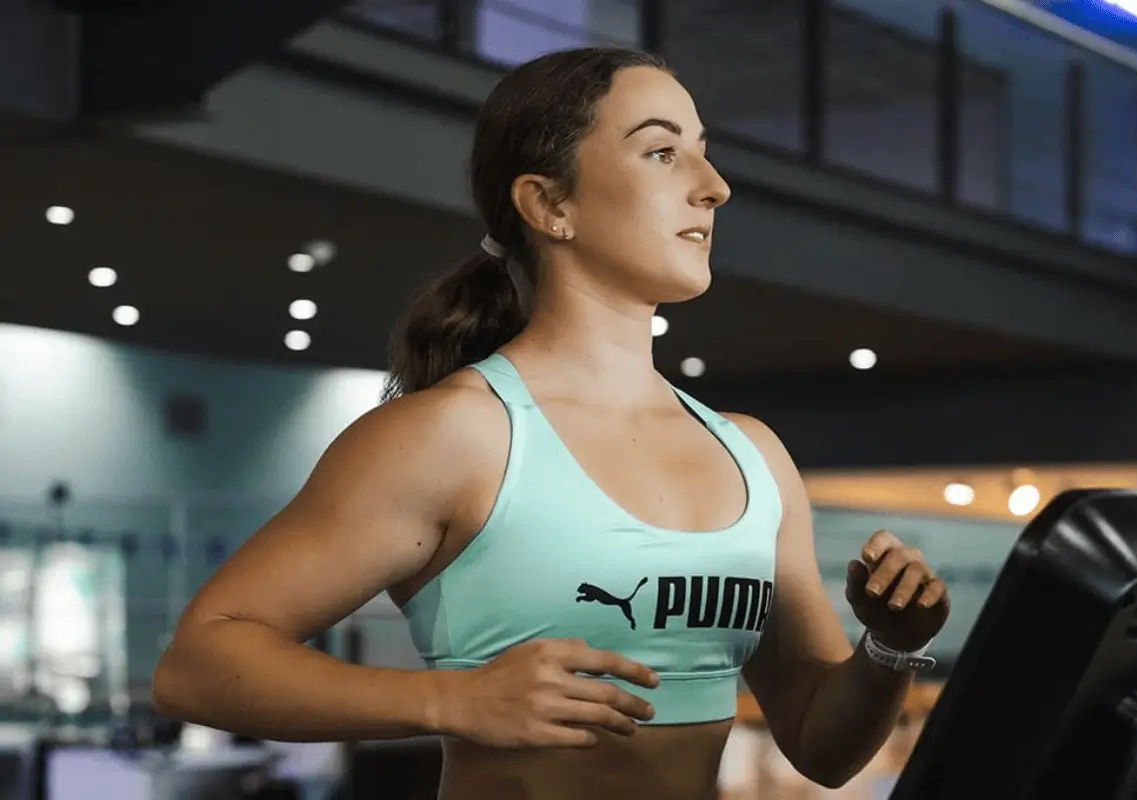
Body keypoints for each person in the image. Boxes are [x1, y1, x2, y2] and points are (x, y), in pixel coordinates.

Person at [152, 46, 951, 799]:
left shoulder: (753, 456)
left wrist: (888, 647)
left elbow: (822, 745)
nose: (714, 186)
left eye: (704, 151)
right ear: (548, 203)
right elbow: (197, 661)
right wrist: (450, 700)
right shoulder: (457, 436)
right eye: (663, 152)